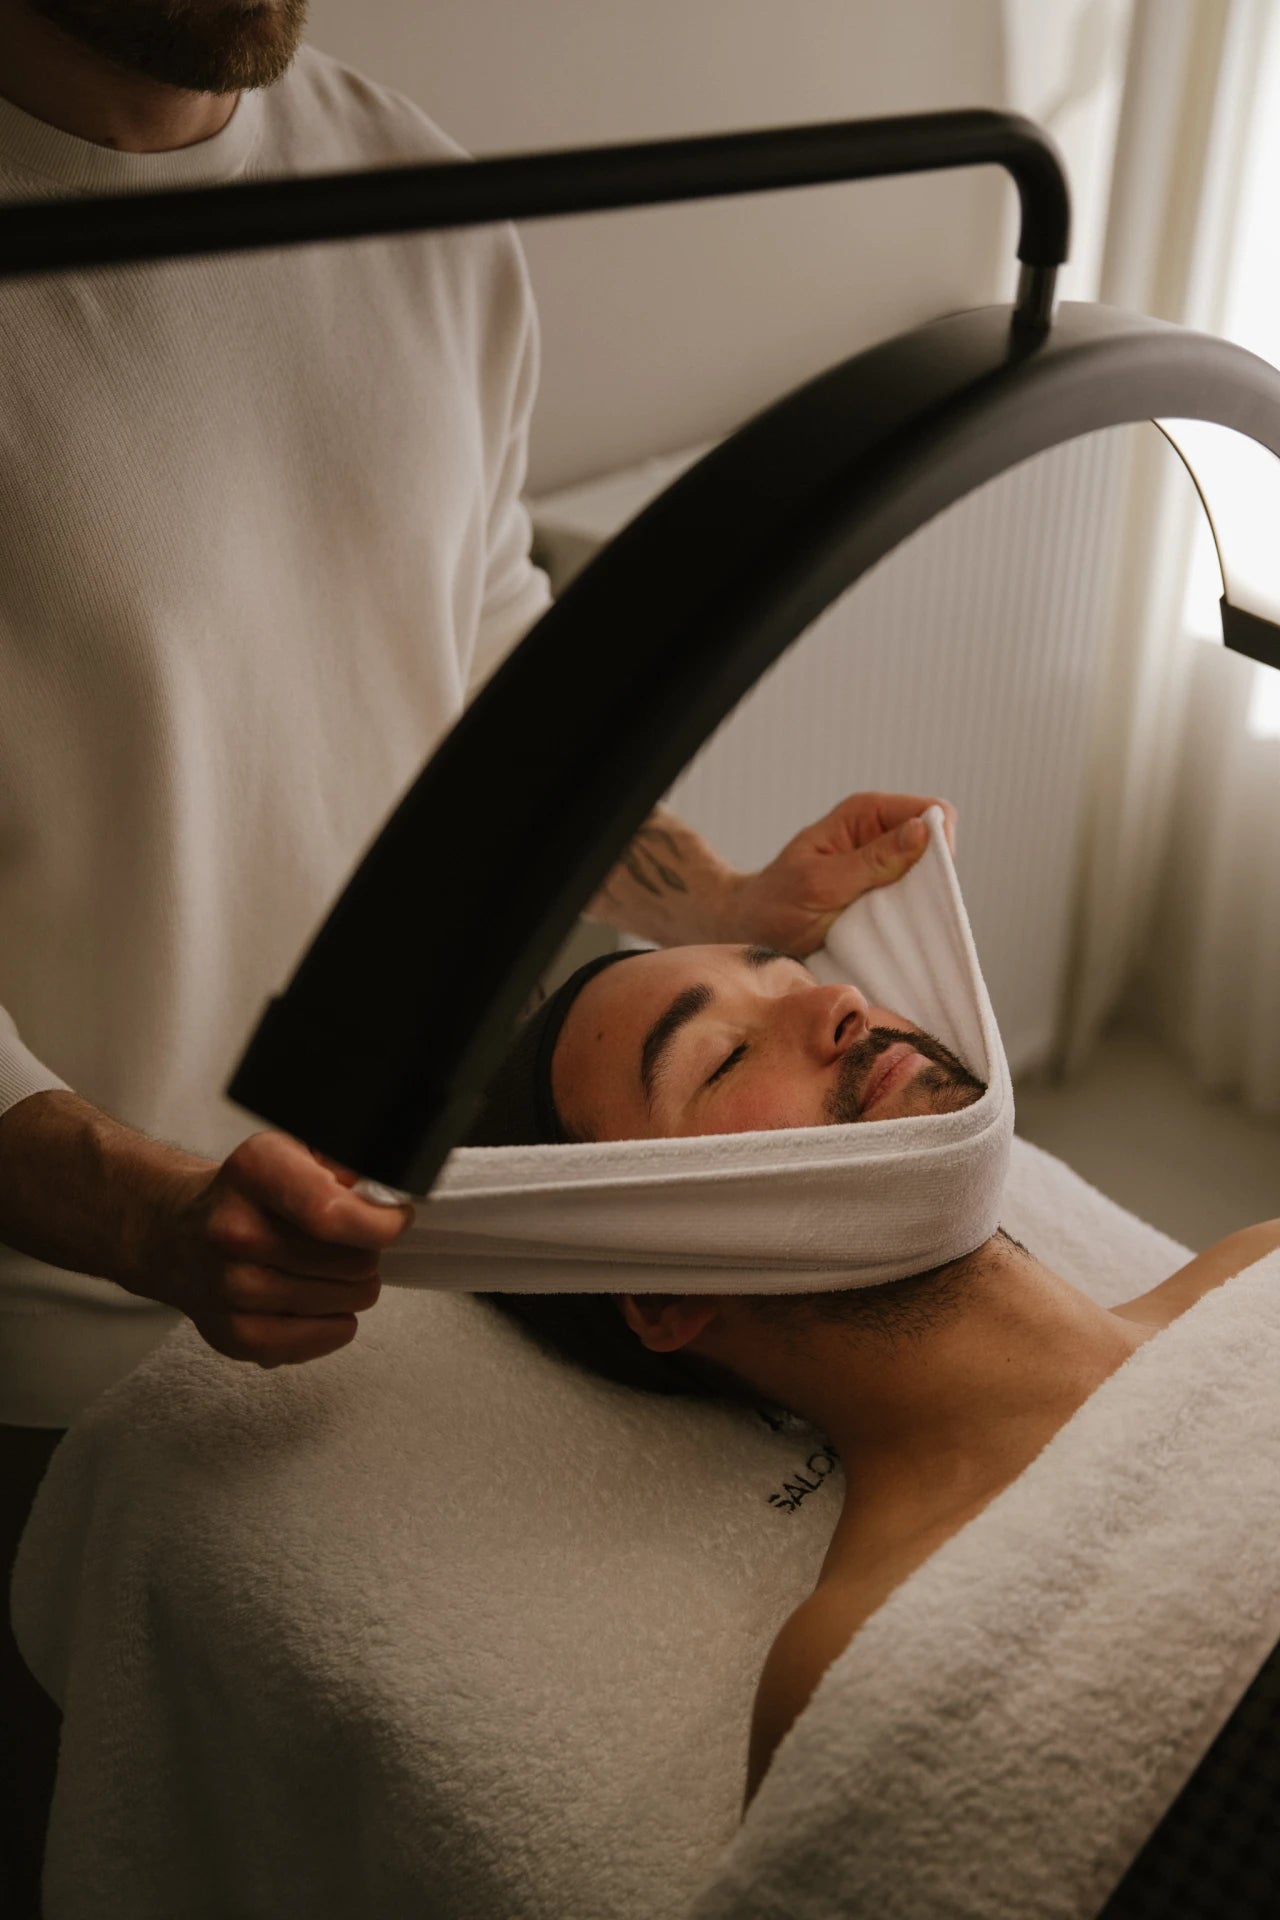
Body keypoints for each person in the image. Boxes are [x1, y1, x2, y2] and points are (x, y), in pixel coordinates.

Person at [0, 3, 956, 1905]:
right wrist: (138, 1212)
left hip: (424, 1246)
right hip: (65, 1338)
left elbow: (488, 661)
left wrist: (705, 911)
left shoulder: (420, 188)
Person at [465, 939, 1280, 1804]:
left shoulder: (1261, 1270)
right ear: (663, 1291)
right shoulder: (865, 1661)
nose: (842, 1002)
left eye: (799, 979)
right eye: (724, 1055)